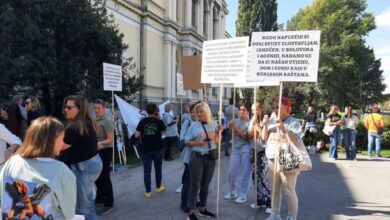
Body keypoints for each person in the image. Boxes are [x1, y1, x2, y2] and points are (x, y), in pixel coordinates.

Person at [0, 117, 76, 219]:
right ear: (51, 141)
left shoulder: (12, 162)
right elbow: (69, 213)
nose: (62, 143)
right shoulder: (62, 171)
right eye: (61, 139)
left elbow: (2, 197)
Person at [60, 95, 103, 220]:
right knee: (86, 202)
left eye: (68, 107)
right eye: (65, 107)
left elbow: (59, 147)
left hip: (83, 168)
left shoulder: (74, 128)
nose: (65, 110)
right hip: (91, 164)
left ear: (80, 109)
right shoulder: (87, 123)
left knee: (83, 207)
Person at [265, 98, 302, 220]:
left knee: (289, 190)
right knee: (274, 189)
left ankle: (292, 217)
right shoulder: (272, 120)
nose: (275, 110)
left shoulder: (294, 122)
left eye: (278, 107)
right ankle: (275, 214)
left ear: (286, 107)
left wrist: (283, 128)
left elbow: (296, 141)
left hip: (287, 158)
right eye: (274, 107)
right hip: (272, 158)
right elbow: (263, 138)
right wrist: (265, 126)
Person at [185, 102, 222, 220]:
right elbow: (187, 141)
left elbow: (217, 141)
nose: (199, 114)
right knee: (195, 185)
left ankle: (202, 209)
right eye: (198, 112)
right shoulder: (194, 125)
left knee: (205, 185)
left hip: (210, 157)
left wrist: (218, 132)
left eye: (201, 111)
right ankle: (191, 213)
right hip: (197, 157)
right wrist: (199, 143)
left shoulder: (214, 124)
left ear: (207, 111)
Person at [135, 103, 167, 198]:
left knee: (147, 171)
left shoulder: (142, 121)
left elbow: (136, 135)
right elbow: (165, 130)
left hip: (145, 149)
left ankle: (148, 192)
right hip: (158, 148)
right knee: (158, 169)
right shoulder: (158, 121)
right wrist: (159, 118)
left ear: (147, 111)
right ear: (156, 111)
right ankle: (158, 187)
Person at [224, 103, 251, 204]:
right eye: (240, 109)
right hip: (235, 148)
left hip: (246, 148)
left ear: (248, 112)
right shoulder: (235, 121)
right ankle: (232, 191)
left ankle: (243, 194)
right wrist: (232, 127)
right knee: (231, 172)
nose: (241, 111)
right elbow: (232, 135)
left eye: (244, 110)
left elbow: (246, 137)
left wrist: (235, 128)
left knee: (245, 172)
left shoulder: (250, 122)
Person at [247, 102, 271, 213]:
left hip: (263, 152)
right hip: (254, 151)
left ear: (260, 109)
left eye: (256, 109)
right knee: (255, 177)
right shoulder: (253, 120)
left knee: (265, 178)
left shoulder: (266, 120)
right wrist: (252, 124)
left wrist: (257, 124)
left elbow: (264, 137)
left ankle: (269, 202)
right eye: (252, 110)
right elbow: (249, 135)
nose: (254, 112)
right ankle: (259, 200)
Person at [93, 99, 115, 215]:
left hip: (105, 150)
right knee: (98, 176)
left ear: (104, 108)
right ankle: (100, 197)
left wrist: (98, 143)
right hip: (97, 151)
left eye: (99, 108)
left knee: (105, 176)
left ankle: (109, 202)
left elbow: (110, 139)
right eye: (95, 108)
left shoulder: (107, 121)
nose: (96, 110)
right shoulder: (96, 120)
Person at [179, 103, 197, 213]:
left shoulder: (200, 122)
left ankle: (194, 200)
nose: (196, 113)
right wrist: (196, 140)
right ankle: (184, 203)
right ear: (190, 112)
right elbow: (183, 138)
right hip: (189, 156)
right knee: (188, 181)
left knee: (194, 180)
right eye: (194, 111)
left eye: (198, 110)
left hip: (199, 156)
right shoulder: (188, 122)